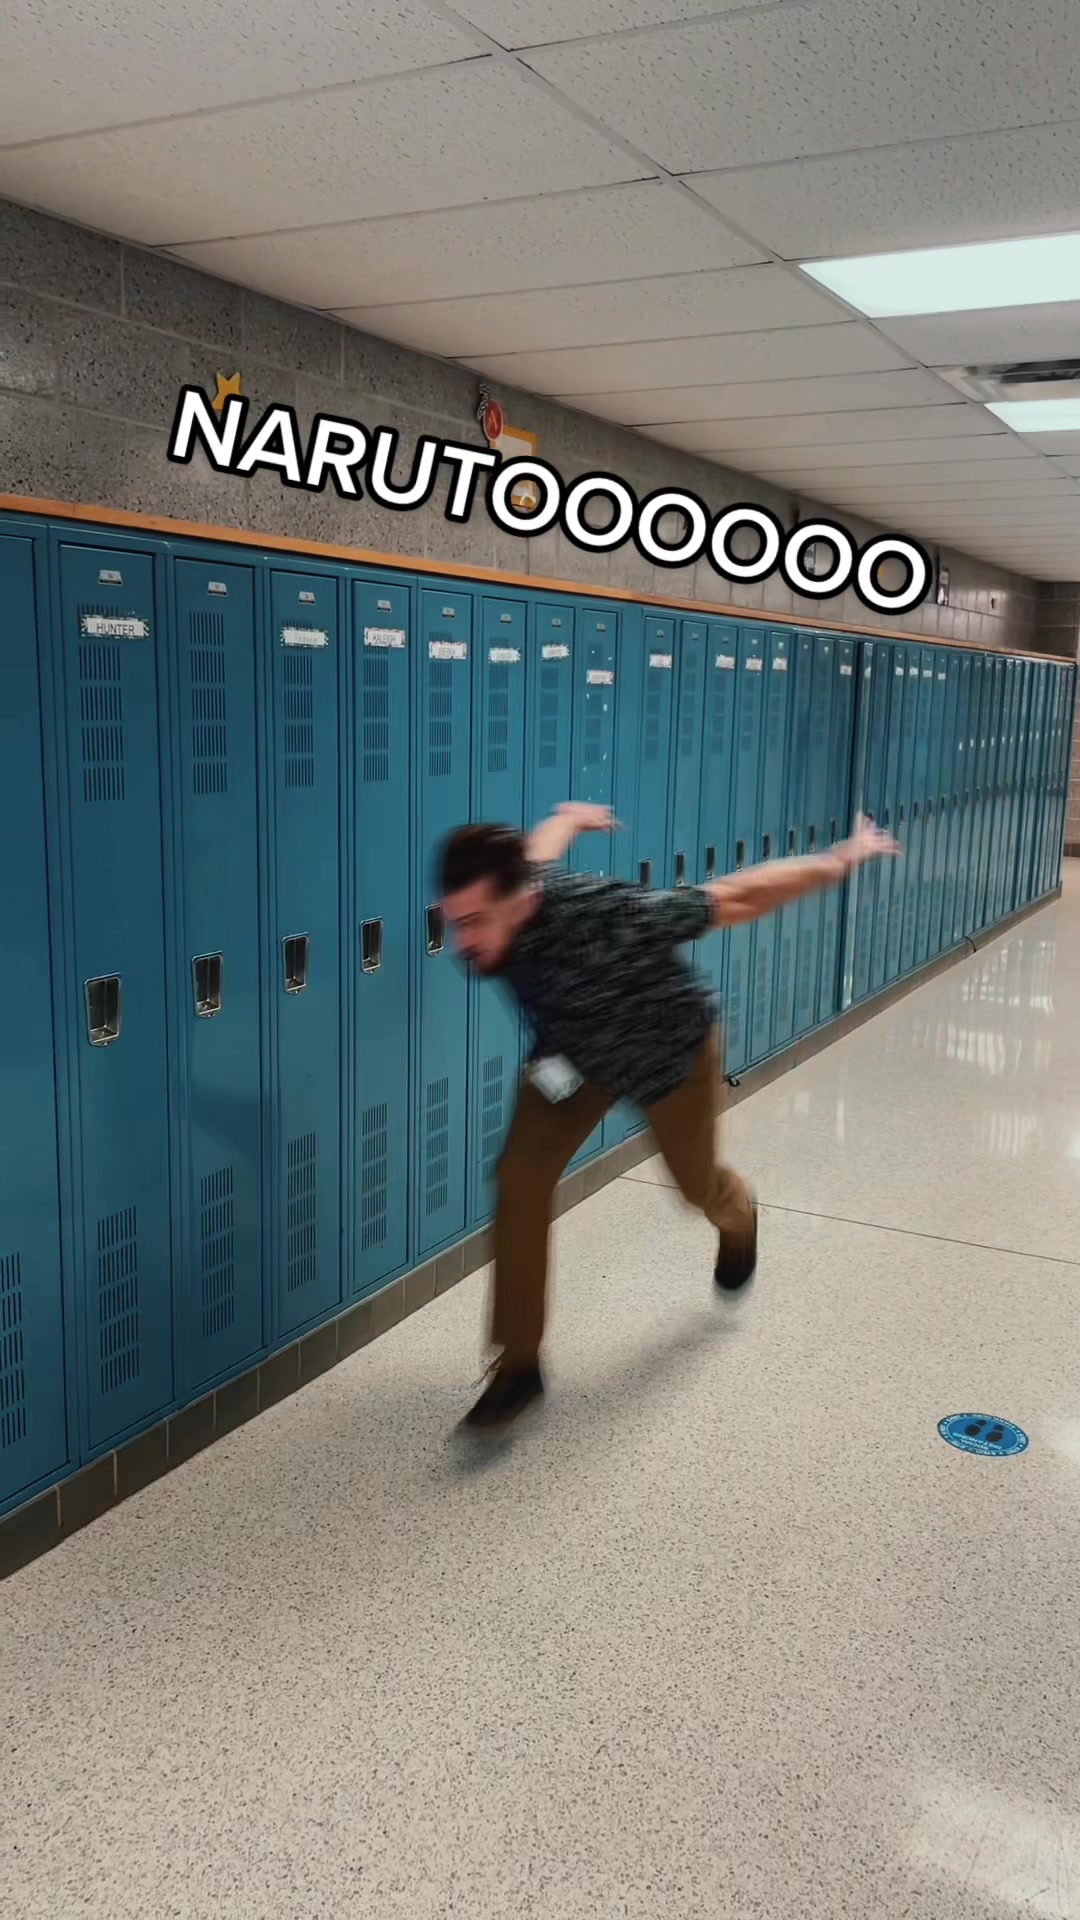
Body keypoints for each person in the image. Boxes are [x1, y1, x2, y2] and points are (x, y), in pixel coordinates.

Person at [439, 803, 899, 1430]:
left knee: (695, 1186)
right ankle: (519, 1365)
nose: (462, 942)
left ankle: (738, 1214)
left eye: (473, 923)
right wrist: (570, 818)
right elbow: (540, 848)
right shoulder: (514, 884)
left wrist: (837, 861)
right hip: (574, 1058)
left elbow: (735, 896)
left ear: (520, 900)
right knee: (520, 1178)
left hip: (670, 1055)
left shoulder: (608, 915)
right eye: (455, 923)